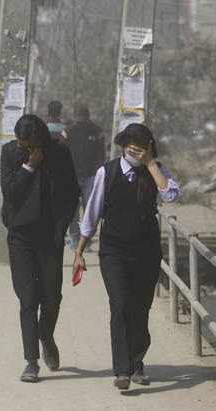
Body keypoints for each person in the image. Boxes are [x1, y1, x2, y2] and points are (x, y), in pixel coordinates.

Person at [72, 123, 178, 391]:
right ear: (121, 147)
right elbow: (92, 214)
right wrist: (79, 252)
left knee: (140, 309)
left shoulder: (155, 170)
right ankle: (122, 369)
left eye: (141, 147)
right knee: (119, 305)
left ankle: (136, 361)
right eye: (130, 146)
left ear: (149, 148)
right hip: (114, 251)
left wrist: (151, 163)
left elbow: (171, 194)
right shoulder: (105, 173)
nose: (134, 151)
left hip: (146, 252)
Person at [0, 114, 80, 382]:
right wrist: (29, 167)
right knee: (28, 299)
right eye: (22, 144)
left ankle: (46, 336)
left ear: (41, 140)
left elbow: (72, 192)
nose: (25, 149)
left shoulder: (59, 153)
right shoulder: (10, 153)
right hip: (20, 236)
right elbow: (9, 193)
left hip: (50, 237)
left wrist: (63, 224)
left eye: (30, 145)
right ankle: (31, 361)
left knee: (52, 297)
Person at [62, 104, 106, 251]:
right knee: (73, 210)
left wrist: (97, 173)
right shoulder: (68, 131)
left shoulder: (97, 131)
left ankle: (86, 240)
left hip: (90, 177)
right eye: (78, 119)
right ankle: (75, 237)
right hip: (71, 177)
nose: (80, 121)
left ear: (88, 117)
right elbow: (62, 152)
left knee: (90, 210)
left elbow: (101, 154)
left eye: (83, 118)